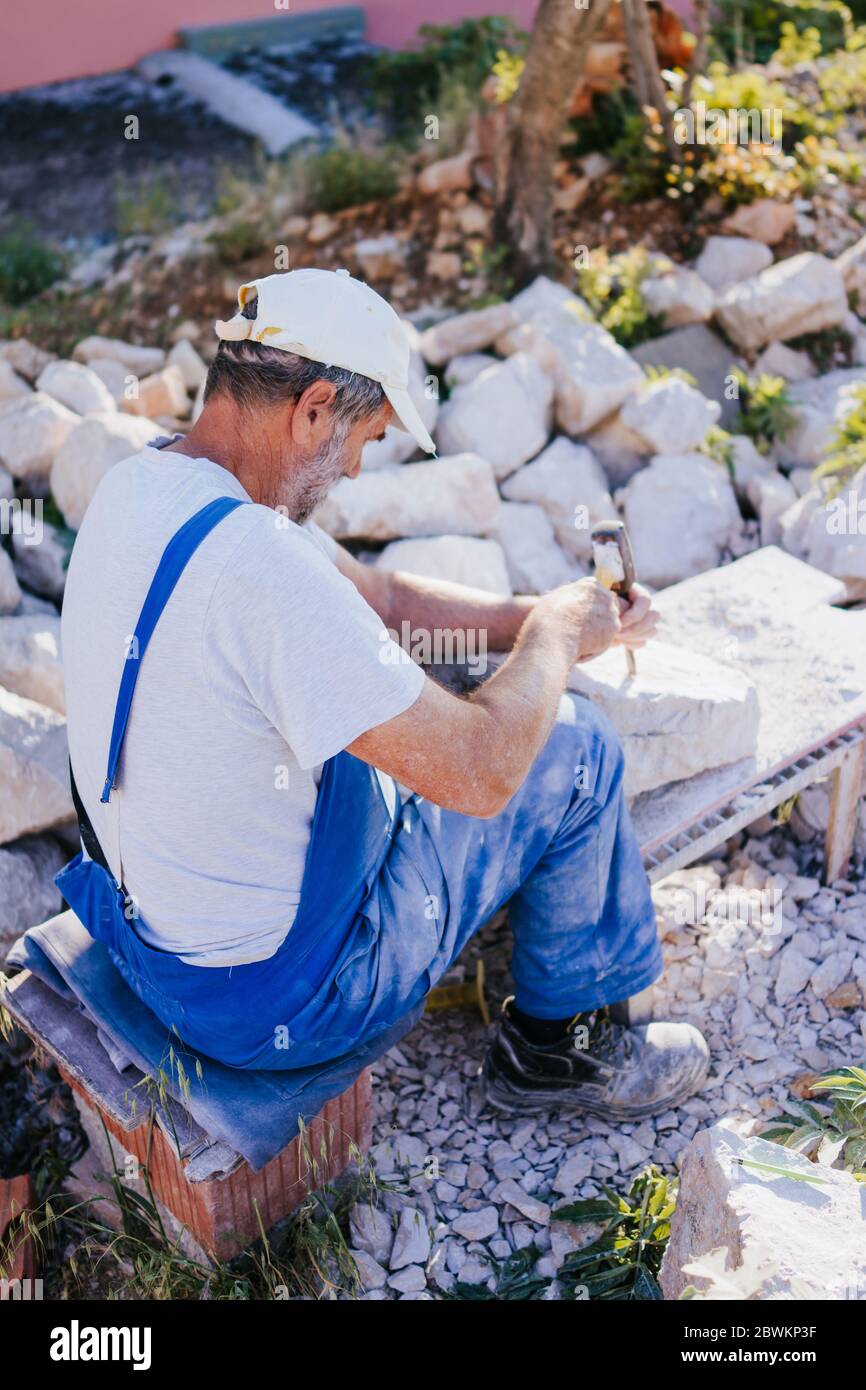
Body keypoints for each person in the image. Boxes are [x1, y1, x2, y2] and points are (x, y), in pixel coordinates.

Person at [59, 268, 708, 1118]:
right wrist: (553, 638)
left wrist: (542, 615)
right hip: (283, 1006)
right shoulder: (260, 569)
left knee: (459, 687)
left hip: (156, 955)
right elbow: (482, 774)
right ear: (315, 406)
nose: (358, 470)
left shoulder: (143, 486)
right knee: (573, 746)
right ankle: (561, 1053)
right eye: (366, 436)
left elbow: (383, 603)